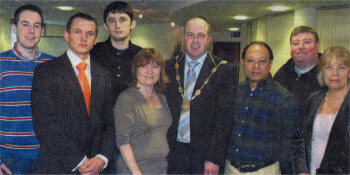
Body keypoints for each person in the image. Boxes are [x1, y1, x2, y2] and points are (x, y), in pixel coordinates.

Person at [31, 13, 115, 174]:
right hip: (57, 166)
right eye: (78, 32)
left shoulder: (104, 75)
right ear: (66, 35)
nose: (83, 38)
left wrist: (102, 158)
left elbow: (110, 123)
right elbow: (44, 124)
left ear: (96, 39)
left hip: (96, 167)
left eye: (89, 34)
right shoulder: (46, 71)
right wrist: (79, 161)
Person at [165, 16, 237, 174]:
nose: (195, 40)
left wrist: (214, 157)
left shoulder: (224, 70)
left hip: (205, 156)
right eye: (190, 35)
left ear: (209, 39)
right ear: (184, 38)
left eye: (201, 35)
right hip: (172, 154)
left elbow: (224, 119)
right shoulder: (169, 67)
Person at [225, 41, 298, 174]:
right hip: (231, 169)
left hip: (264, 171)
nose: (256, 66)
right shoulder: (234, 92)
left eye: (262, 61)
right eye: (250, 61)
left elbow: (289, 143)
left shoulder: (283, 98)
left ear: (270, 63)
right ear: (242, 63)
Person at [0, 4, 54, 174]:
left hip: (47, 158)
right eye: (25, 24)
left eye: (36, 26)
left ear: (42, 30)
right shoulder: (1, 63)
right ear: (15, 28)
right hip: (8, 160)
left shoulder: (54, 66)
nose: (31, 31)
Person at [292, 46, 350, 174]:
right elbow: (299, 139)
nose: (335, 73)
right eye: (329, 67)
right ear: (322, 71)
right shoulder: (314, 99)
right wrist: (302, 170)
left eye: (342, 67)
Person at [114, 48, 172, 174]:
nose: (149, 71)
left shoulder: (162, 98)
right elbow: (123, 141)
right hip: (134, 170)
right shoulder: (126, 99)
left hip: (160, 168)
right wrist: (136, 172)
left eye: (155, 67)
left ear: (161, 71)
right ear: (135, 70)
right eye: (144, 66)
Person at [91, 1, 142, 101]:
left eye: (122, 20)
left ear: (132, 24)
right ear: (105, 26)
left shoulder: (142, 55)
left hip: (131, 114)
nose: (117, 25)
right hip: (100, 115)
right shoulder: (93, 53)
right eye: (112, 20)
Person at [274, 26, 324, 109]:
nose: (301, 47)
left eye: (307, 42)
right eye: (296, 43)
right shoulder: (281, 75)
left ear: (317, 46)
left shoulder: (329, 76)